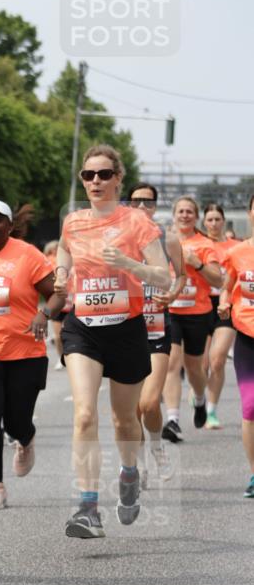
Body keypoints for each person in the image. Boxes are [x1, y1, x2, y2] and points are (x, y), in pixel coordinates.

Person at [55, 145, 171, 538]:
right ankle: (88, 506)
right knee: (85, 413)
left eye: (104, 174)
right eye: (89, 175)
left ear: (118, 179)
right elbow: (65, 254)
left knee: (125, 419)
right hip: (83, 326)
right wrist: (59, 272)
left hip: (126, 328)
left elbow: (164, 277)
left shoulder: (137, 222)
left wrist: (129, 264)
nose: (96, 182)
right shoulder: (73, 221)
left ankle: (129, 473)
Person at [0, 199, 64, 509]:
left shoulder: (27, 255)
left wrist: (44, 314)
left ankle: (26, 438)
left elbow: (57, 294)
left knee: (17, 421)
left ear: (10, 225)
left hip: (24, 349)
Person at [127, 184, 185, 486]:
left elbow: (182, 276)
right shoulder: (119, 242)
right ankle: (137, 465)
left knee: (149, 403)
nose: (140, 207)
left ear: (154, 207)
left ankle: (157, 447)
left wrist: (171, 295)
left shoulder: (168, 239)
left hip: (158, 331)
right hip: (124, 332)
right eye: (135, 202)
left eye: (147, 203)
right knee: (131, 407)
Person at [162, 197, 221, 442]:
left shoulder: (205, 244)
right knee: (172, 364)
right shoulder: (162, 242)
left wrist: (196, 264)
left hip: (197, 313)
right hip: (170, 312)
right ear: (174, 215)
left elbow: (218, 280)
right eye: (181, 211)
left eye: (189, 212)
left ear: (196, 217)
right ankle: (173, 419)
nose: (185, 215)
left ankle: (199, 399)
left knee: (195, 367)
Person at [218, 194, 254, 497]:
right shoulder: (238, 253)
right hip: (247, 335)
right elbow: (227, 287)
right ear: (250, 213)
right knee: (251, 406)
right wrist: (223, 303)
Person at [202, 203, 238, 429]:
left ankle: (211, 411)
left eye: (217, 219)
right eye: (210, 220)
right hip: (201, 305)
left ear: (223, 221)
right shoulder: (197, 245)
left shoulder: (235, 247)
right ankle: (199, 391)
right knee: (201, 365)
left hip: (226, 305)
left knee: (217, 359)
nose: (214, 223)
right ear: (204, 222)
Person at [43, 240, 73, 370]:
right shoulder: (47, 262)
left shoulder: (71, 261)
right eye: (53, 249)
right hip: (56, 304)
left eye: (57, 249)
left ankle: (72, 357)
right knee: (57, 335)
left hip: (70, 303)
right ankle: (61, 358)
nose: (56, 251)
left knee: (69, 334)